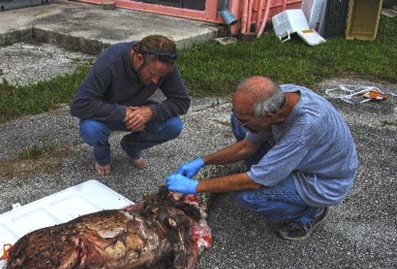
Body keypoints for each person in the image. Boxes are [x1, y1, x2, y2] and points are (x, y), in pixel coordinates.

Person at [166, 76, 358, 241]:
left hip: (322, 179)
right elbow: (248, 146)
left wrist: (196, 187)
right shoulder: (282, 96)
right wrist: (203, 161)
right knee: (242, 126)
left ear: (270, 116)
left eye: (245, 118)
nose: (240, 121)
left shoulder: (304, 128)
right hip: (303, 156)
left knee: (248, 196)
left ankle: (311, 213)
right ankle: (272, 169)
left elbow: (255, 182)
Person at [70, 35, 191, 176]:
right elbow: (79, 104)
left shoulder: (164, 66)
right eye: (152, 73)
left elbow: (182, 101)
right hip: (105, 114)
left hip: (138, 109)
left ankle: (131, 146)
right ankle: (102, 155)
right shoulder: (111, 60)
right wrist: (124, 113)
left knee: (174, 126)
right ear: (139, 58)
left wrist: (151, 112)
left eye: (161, 76)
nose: (156, 80)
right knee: (91, 129)